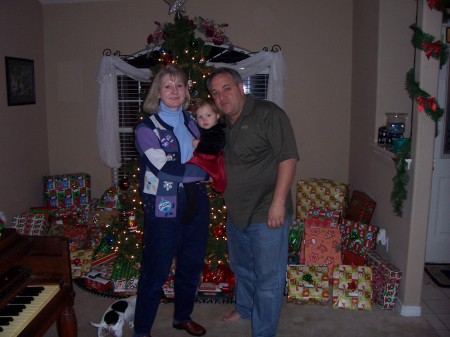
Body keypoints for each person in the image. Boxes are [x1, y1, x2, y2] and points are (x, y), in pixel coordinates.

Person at [206, 67, 299, 337]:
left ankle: (263, 333)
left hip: (267, 211)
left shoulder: (268, 114)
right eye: (215, 92)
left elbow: (288, 158)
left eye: (226, 88)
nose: (221, 97)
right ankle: (245, 308)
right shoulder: (222, 125)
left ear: (240, 88)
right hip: (237, 213)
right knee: (243, 269)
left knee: (268, 280)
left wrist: (278, 203)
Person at [133, 65, 209, 337]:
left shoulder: (193, 121)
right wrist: (206, 173)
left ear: (186, 90)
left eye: (180, 85)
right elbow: (164, 169)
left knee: (191, 265)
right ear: (158, 92)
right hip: (164, 204)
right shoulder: (146, 128)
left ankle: (182, 317)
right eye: (168, 86)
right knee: (156, 270)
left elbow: (209, 154)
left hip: (196, 202)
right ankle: (142, 331)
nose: (175, 91)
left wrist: (213, 169)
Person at [183, 98, 226, 224]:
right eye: (200, 117)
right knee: (189, 176)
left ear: (217, 115)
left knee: (188, 175)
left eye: (208, 115)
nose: (204, 120)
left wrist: (199, 145)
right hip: (205, 159)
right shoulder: (204, 129)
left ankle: (192, 206)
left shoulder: (218, 131)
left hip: (212, 161)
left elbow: (214, 148)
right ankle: (192, 204)